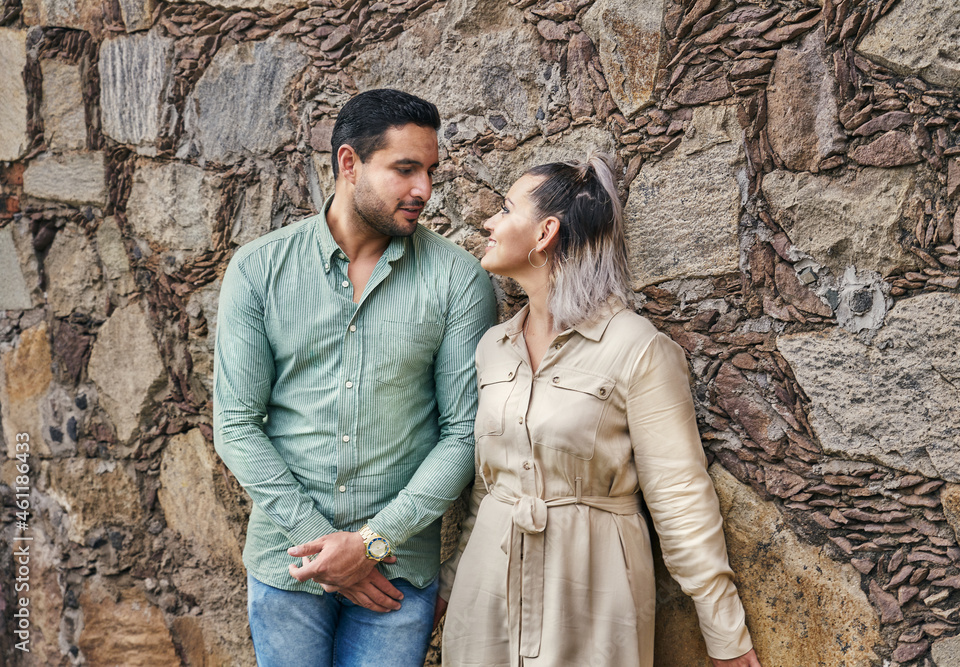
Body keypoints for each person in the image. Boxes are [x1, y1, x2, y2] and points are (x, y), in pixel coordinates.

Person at [437, 154, 761, 666]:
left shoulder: (636, 347)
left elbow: (679, 494)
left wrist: (725, 634)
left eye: (505, 209)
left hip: (592, 585)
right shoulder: (492, 348)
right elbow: (488, 486)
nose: (489, 223)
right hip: (487, 588)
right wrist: (452, 582)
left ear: (545, 233)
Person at [213, 88, 495, 667]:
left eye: (430, 171)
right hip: (288, 567)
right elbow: (236, 424)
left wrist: (371, 543)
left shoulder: (458, 280)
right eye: (405, 169)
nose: (424, 189)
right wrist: (326, 551)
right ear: (349, 163)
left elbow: (464, 434)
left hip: (394, 574)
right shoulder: (259, 270)